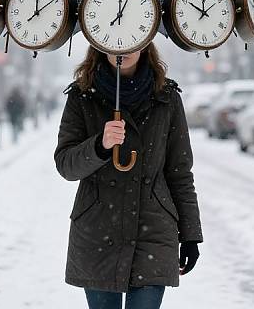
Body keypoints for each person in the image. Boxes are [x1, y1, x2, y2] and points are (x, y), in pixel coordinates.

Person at [55, 43, 203, 309]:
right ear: (98, 43)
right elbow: (66, 164)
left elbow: (180, 173)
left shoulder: (166, 97)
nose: (123, 47)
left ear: (145, 41)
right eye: (112, 41)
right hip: (98, 230)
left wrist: (190, 235)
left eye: (133, 38)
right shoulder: (81, 95)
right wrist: (100, 145)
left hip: (153, 231)